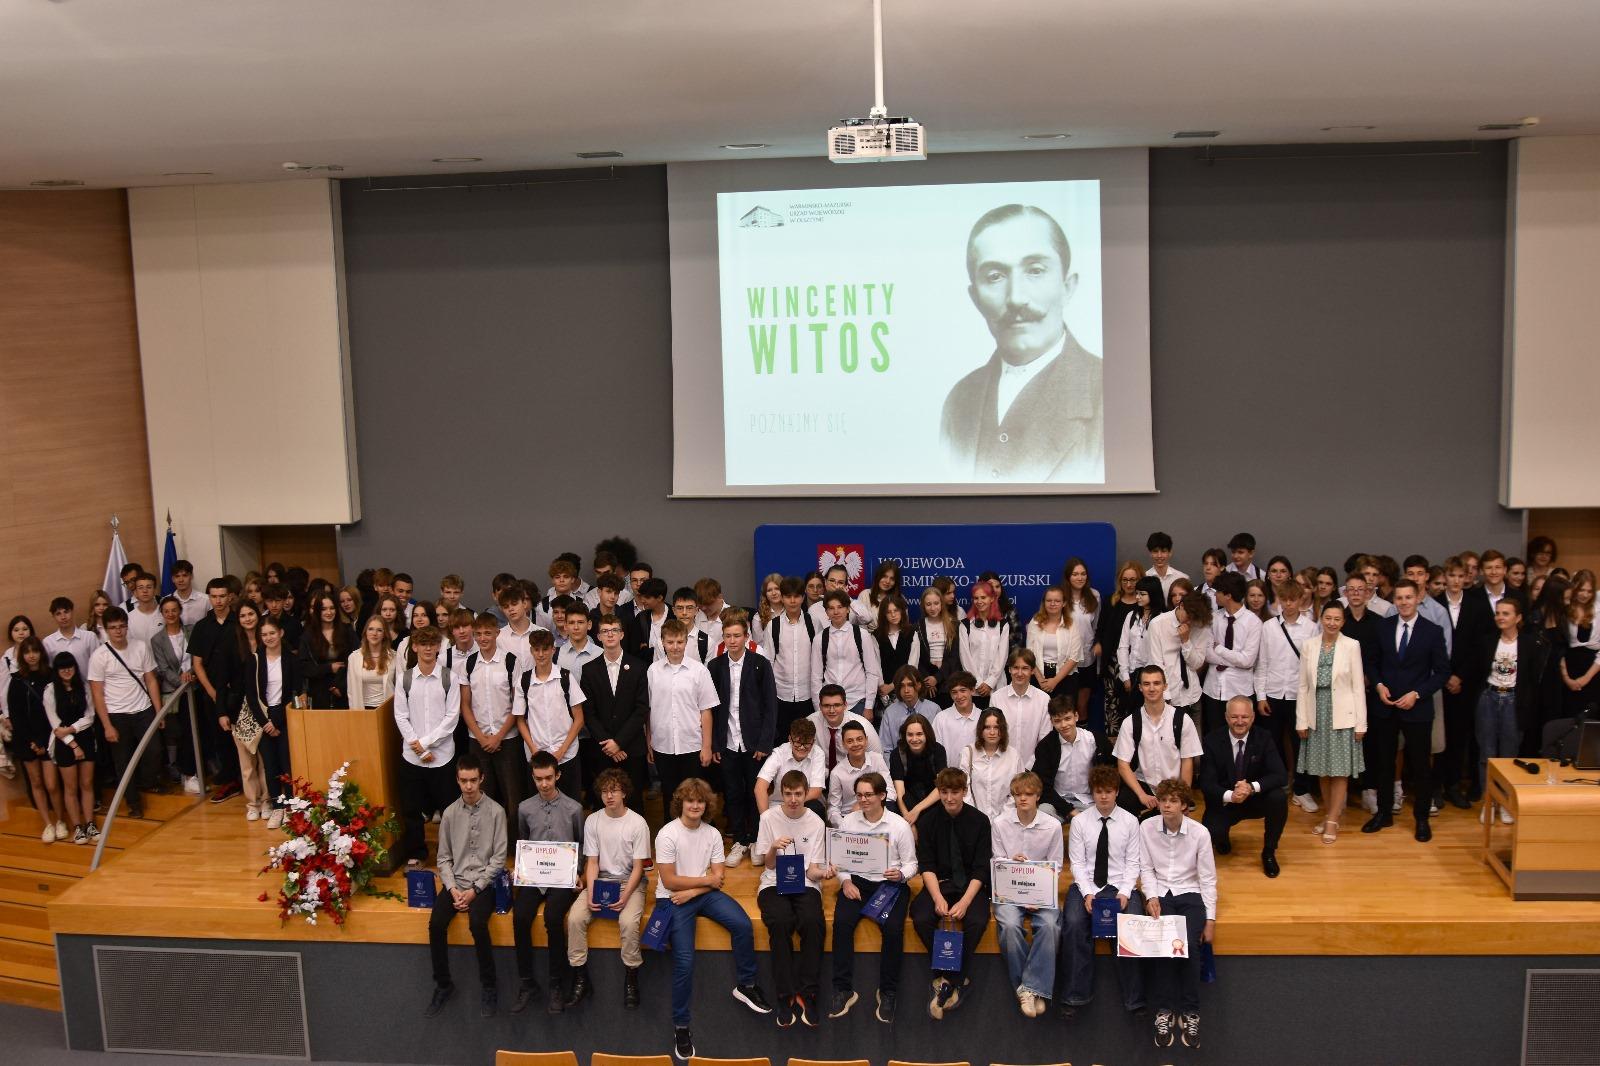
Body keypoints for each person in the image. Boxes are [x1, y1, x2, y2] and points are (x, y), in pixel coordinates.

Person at [938, 203, 1104, 482]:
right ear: (975, 298)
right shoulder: (959, 400)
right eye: (995, 276)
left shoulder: (1111, 395)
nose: (1016, 297)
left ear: (1067, 287)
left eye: (1035, 270)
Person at [655, 777, 773, 1060]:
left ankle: (746, 985)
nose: (695, 806)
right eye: (690, 800)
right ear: (680, 803)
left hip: (697, 894)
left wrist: (695, 890)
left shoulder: (712, 833)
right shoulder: (667, 834)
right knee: (685, 962)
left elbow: (719, 877)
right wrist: (704, 883)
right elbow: (669, 881)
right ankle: (681, 1026)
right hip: (672, 898)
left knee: (743, 925)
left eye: (700, 801)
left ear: (707, 805)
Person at [823, 770, 917, 1023]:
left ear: (882, 796)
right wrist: (845, 882)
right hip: (857, 883)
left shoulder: (899, 825)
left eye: (868, 795)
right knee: (842, 924)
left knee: (894, 930)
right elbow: (838, 860)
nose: (863, 800)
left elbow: (912, 864)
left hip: (890, 884)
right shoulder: (848, 823)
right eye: (859, 795)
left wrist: (901, 874)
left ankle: (888, 991)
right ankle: (843, 989)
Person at [1365, 580, 1450, 842]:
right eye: (1399, 598)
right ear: (1395, 601)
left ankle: (1421, 819)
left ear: (1417, 599)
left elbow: (1442, 672)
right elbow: (1372, 663)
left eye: (1408, 597)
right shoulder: (1382, 627)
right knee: (1384, 762)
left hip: (1417, 708)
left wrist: (1417, 694)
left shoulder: (1432, 631)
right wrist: (1379, 686)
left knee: (1421, 765)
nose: (1403, 602)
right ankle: (1384, 813)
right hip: (1385, 706)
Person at [424, 754, 506, 1020]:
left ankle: (489, 986)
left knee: (478, 924)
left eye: (473, 780)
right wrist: (452, 889)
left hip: (484, 883)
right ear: (457, 780)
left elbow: (498, 859)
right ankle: (443, 984)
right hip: (456, 882)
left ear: (482, 779)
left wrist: (475, 890)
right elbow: (443, 858)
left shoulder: (496, 812)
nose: (468, 786)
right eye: (463, 781)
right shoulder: (449, 813)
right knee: (436, 924)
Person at [1059, 764, 1145, 1018]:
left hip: (1120, 885)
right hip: (1087, 885)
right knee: (1074, 923)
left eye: (1108, 791)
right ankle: (1075, 995)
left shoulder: (1130, 822)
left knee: (1132, 924)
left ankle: (1135, 999)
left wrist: (1125, 893)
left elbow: (1133, 863)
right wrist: (1088, 893)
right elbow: (1077, 863)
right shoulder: (1080, 822)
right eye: (1099, 791)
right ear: (1092, 793)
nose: (1104, 796)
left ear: (1116, 792)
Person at [1138, 777, 1217, 1051]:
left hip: (1190, 893)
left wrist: (1210, 919)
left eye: (1173, 801)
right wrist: (1151, 896)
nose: (1167, 805)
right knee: (1164, 950)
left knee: (1190, 949)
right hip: (1162, 893)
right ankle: (1164, 1011)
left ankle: (1190, 1012)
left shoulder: (1200, 833)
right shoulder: (1147, 827)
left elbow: (1207, 879)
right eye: (1163, 800)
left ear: (1184, 805)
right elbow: (1146, 868)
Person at [565, 767, 652, 1011]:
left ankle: (631, 976)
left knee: (628, 922)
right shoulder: (593, 820)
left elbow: (639, 868)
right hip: (600, 879)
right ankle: (580, 976)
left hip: (629, 881)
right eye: (604, 791)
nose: (609, 796)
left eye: (613, 790)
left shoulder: (638, 823)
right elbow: (592, 862)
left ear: (624, 792)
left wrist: (625, 895)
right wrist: (591, 891)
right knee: (575, 918)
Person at [909, 767, 993, 1019]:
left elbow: (981, 868)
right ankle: (952, 977)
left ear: (964, 792)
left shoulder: (980, 821)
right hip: (941, 883)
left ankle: (947, 981)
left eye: (955, 792)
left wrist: (965, 902)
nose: (949, 798)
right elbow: (926, 865)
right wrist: (937, 898)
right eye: (944, 792)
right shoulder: (928, 821)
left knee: (977, 920)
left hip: (970, 885)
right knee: (921, 916)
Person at [753, 769, 829, 1027]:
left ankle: (808, 992)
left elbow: (812, 870)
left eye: (798, 794)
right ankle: (785, 994)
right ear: (781, 794)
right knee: (780, 921)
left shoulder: (816, 822)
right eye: (788, 794)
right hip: (774, 882)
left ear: (806, 793)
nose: (793, 799)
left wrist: (824, 873)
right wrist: (773, 848)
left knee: (813, 922)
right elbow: (769, 865)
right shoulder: (768, 818)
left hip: (806, 882)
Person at [512, 751, 584, 1013]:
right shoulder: (524, 808)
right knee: (520, 917)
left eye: (549, 778)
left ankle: (556, 984)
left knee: (553, 918)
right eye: (539, 778)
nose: (544, 784)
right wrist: (521, 868)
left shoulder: (574, 809)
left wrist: (578, 873)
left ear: (558, 776)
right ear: (533, 777)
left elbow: (581, 844)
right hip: (534, 877)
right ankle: (527, 982)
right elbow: (523, 840)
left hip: (562, 878)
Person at [990, 771, 1064, 1018]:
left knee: (1051, 926)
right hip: (1010, 890)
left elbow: (1056, 866)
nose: (1022, 799)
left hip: (1040, 891)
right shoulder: (1000, 823)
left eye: (1028, 794)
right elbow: (997, 861)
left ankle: (1029, 988)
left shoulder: (1052, 826)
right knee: (1010, 926)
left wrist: (1036, 896)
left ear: (1038, 796)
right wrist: (1011, 861)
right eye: (1018, 794)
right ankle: (1033, 990)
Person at [709, 610, 778, 865]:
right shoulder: (715, 667)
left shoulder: (760, 664)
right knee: (733, 792)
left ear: (746, 636)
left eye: (737, 635)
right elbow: (711, 709)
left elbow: (770, 707)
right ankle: (739, 840)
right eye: (728, 636)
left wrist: (764, 742)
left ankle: (758, 839)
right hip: (727, 742)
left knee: (755, 792)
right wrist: (715, 744)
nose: (732, 640)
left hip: (754, 743)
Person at [1296, 601, 1367, 844]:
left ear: (1343, 622)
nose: (1332, 623)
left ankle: (1333, 820)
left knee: (1339, 771)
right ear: (1321, 619)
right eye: (1328, 618)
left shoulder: (1352, 645)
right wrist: (1301, 720)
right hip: (1316, 714)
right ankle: (1330, 814)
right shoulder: (1309, 645)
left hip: (1343, 716)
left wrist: (1361, 724)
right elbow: (1303, 686)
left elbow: (1358, 687)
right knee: (1322, 769)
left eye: (1337, 619)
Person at [1473, 599, 1548, 823]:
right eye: (1498, 613)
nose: (1500, 617)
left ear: (1518, 617)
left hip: (1514, 701)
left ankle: (1505, 802)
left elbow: (1533, 679)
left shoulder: (1529, 644)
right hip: (1489, 698)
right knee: (1486, 754)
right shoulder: (1488, 641)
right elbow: (1478, 671)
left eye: (1506, 613)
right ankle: (1489, 802)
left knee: (1509, 755)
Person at [87, 608, 163, 819]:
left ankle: (146, 782)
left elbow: (151, 680)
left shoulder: (140, 647)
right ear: (106, 630)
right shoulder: (99, 656)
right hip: (117, 714)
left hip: (143, 709)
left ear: (127, 626)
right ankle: (133, 803)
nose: (118, 631)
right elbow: (97, 693)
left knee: (154, 750)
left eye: (121, 626)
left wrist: (159, 712)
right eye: (113, 628)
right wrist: (107, 725)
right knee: (123, 761)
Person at [394, 627, 461, 865]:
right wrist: (418, 749)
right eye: (423, 644)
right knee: (412, 810)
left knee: (448, 810)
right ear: (414, 647)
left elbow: (451, 718)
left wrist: (424, 744)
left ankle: (449, 855)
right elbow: (401, 715)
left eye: (432, 644)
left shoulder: (449, 678)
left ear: (438, 647)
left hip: (442, 756)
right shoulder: (404, 679)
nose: (428, 649)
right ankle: (417, 854)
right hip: (412, 757)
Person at [1198, 697, 1287, 877]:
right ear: (1226, 717)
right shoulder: (1211, 740)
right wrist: (1231, 796)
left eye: (1244, 717)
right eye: (1234, 717)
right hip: (1225, 802)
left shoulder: (1264, 737)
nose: (1239, 721)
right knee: (1213, 833)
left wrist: (1251, 788)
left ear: (1253, 717)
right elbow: (1206, 783)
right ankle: (1222, 838)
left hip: (1255, 799)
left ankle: (1269, 851)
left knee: (1278, 797)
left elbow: (1280, 775)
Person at [1252, 579, 1320, 812]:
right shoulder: (1269, 627)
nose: (1288, 604)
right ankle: (1278, 784)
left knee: (1301, 744)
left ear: (1301, 600)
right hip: (1273, 693)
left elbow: (1313, 666)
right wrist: (1261, 697)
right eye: (1284, 599)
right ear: (1279, 600)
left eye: (1293, 599)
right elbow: (1262, 663)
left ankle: (1301, 789)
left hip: (1298, 695)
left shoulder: (1311, 628)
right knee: (1272, 743)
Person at [460, 613, 523, 847]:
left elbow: (517, 704)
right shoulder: (469, 664)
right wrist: (480, 736)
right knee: (482, 796)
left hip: (508, 739)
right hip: (478, 740)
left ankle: (514, 846)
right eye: (478, 634)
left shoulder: (510, 661)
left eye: (488, 633)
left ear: (497, 633)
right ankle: (488, 845)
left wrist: (498, 736)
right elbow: (465, 705)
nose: (483, 638)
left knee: (513, 797)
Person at [579, 612, 651, 813]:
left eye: (614, 630)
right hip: (602, 750)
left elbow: (641, 709)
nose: (610, 635)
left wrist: (619, 742)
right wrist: (609, 744)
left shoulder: (639, 667)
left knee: (634, 801)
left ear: (622, 634)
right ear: (598, 636)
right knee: (605, 801)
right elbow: (588, 712)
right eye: (605, 631)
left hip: (631, 748)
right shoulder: (589, 670)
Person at [1112, 665, 1201, 818]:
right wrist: (1142, 795)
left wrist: (1183, 797)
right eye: (1146, 684)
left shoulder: (1182, 720)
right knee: (1124, 801)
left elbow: (1187, 761)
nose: (1152, 688)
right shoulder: (1130, 722)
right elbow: (1123, 764)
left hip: (1173, 786)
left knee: (1171, 824)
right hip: (1144, 785)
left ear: (1165, 686)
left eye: (1156, 683)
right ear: (1140, 688)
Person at [647, 618, 718, 808]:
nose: (675, 647)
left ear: (686, 642)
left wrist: (707, 746)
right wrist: (649, 742)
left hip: (692, 745)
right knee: (669, 795)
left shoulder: (699, 671)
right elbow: (649, 710)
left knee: (694, 795)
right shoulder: (653, 671)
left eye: (679, 642)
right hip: (662, 745)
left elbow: (706, 710)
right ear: (662, 642)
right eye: (670, 642)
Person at [513, 629, 586, 802]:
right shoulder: (524, 681)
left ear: (553, 649)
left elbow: (579, 719)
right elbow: (520, 720)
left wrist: (562, 750)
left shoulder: (566, 677)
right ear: (531, 651)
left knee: (570, 803)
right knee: (539, 806)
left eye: (545, 649)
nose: (541, 654)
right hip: (537, 756)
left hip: (567, 755)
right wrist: (533, 749)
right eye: (536, 649)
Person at [7, 638, 69, 842]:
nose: (31, 655)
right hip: (26, 741)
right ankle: (47, 823)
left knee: (52, 784)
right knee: (36, 782)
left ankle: (60, 820)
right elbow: (16, 715)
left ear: (41, 653)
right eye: (27, 652)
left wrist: (43, 741)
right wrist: (32, 741)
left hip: (49, 737)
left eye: (35, 651)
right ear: (22, 656)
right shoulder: (17, 680)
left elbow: (56, 710)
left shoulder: (50, 676)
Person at [246, 618, 300, 827]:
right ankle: (277, 807)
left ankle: (290, 807)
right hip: (262, 716)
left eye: (272, 633)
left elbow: (295, 691)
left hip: (284, 715)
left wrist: (276, 722)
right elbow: (251, 696)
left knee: (287, 764)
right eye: (264, 634)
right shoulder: (255, 660)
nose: (268, 638)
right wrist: (265, 723)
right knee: (270, 766)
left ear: (281, 633)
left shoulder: (291, 659)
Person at [44, 652, 98, 843]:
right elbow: (56, 725)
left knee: (87, 783)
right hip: (64, 743)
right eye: (62, 668)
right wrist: (73, 744)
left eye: (70, 667)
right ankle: (77, 827)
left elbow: (90, 716)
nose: (67, 671)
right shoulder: (50, 690)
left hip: (85, 737)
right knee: (71, 787)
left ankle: (90, 824)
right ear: (57, 670)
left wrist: (72, 728)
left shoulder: (84, 686)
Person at [1200, 572, 1261, 738]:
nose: (1215, 596)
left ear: (1228, 595)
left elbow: (1248, 661)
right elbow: (1207, 654)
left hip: (1240, 690)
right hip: (1213, 689)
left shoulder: (1253, 622)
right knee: (1213, 737)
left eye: (1217, 592)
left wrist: (1220, 649)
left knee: (1240, 737)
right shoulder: (1213, 618)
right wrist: (1236, 658)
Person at [149, 595, 198, 794]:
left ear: (180, 611)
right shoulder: (157, 640)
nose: (170, 614)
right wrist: (181, 681)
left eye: (174, 610)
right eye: (166, 611)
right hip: (174, 693)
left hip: (195, 688)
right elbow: (162, 669)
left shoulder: (192, 631)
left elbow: (198, 658)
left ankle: (197, 770)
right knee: (179, 734)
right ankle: (185, 774)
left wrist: (192, 675)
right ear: (162, 614)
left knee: (196, 731)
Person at [810, 590, 882, 717]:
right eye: (831, 608)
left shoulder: (862, 635)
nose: (836, 612)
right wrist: (818, 709)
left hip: (858, 702)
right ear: (826, 612)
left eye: (840, 607)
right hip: (830, 704)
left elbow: (872, 672)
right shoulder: (819, 639)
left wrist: (869, 706)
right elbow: (816, 677)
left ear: (848, 609)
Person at [1143, 590, 1210, 725]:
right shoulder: (1158, 624)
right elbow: (1157, 664)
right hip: (1168, 698)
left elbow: (1196, 664)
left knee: (1195, 738)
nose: (1190, 622)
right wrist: (1165, 697)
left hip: (1193, 696)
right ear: (1181, 605)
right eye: (1189, 616)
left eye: (1194, 619)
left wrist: (1186, 641)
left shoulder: (1200, 625)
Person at [763, 576, 817, 738]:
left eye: (797, 596)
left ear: (803, 597)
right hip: (781, 695)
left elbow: (820, 659)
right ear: (782, 598)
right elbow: (768, 661)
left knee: (808, 740)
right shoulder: (773, 626)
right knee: (782, 741)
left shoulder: (814, 623)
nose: (792, 601)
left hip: (808, 695)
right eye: (788, 596)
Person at [1032, 694, 1099, 821]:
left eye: (1067, 718)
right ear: (1052, 722)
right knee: (1042, 814)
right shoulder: (1046, 746)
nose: (1064, 725)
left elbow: (1108, 775)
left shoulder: (1093, 740)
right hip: (1056, 800)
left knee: (1098, 820)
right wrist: (1069, 810)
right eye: (1057, 721)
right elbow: (1042, 785)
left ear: (1076, 716)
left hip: (1087, 800)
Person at [959, 707, 1025, 819]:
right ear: (980, 730)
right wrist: (976, 816)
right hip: (974, 819)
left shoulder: (1013, 755)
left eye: (997, 727)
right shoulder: (968, 753)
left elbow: (1019, 789)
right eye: (987, 727)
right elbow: (964, 789)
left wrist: (1003, 817)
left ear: (1003, 730)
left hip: (1006, 819)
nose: (992, 732)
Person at [826, 720, 896, 825]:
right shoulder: (837, 773)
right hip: (850, 816)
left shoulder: (877, 759)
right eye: (850, 741)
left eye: (859, 739)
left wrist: (868, 805)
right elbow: (833, 808)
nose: (855, 744)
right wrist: (845, 825)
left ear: (866, 740)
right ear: (843, 744)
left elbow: (890, 792)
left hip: (877, 809)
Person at [755, 717, 827, 818]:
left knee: (816, 807)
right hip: (779, 804)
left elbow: (816, 791)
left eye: (807, 744)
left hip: (805, 804)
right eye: (798, 743)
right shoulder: (778, 753)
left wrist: (793, 803)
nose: (802, 747)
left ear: (813, 741)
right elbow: (760, 788)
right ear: (790, 739)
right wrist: (765, 819)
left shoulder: (818, 754)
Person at [809, 684, 883, 778]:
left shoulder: (863, 726)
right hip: (820, 775)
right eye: (827, 706)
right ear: (820, 706)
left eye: (837, 705)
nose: (832, 710)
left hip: (854, 777)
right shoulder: (810, 724)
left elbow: (878, 760)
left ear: (845, 705)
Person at [1026, 584, 1082, 704]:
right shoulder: (1035, 622)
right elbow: (1029, 654)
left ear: (1064, 603)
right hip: (1038, 676)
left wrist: (1055, 681)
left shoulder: (1072, 624)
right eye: (1049, 600)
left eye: (1057, 601)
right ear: (1044, 602)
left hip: (1065, 677)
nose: (1053, 604)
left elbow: (1074, 657)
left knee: (1063, 714)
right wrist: (1041, 680)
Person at [298, 593, 355, 709]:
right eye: (323, 609)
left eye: (332, 608)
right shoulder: (308, 636)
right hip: (319, 692)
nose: (329, 612)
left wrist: (341, 686)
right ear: (317, 611)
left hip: (345, 688)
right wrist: (329, 668)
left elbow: (357, 659)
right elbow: (303, 667)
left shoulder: (347, 630)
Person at [991, 647, 1051, 756]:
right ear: (1009, 669)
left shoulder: (1044, 700)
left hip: (1033, 764)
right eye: (1015, 667)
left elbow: (1045, 738)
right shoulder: (996, 698)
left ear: (1032, 671)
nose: (1019, 673)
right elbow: (994, 735)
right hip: (1002, 761)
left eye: (1025, 668)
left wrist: (1034, 764)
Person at [891, 712, 947, 827]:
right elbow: (900, 793)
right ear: (904, 735)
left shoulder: (938, 750)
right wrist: (908, 820)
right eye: (910, 735)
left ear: (927, 734)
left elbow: (941, 787)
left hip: (933, 801)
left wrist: (917, 809)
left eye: (919, 734)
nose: (914, 739)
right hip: (907, 803)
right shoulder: (897, 754)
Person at [873, 595, 922, 713]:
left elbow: (912, 665)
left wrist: (892, 686)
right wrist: (882, 686)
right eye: (889, 612)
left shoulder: (912, 633)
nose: (893, 615)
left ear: (902, 612)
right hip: (883, 692)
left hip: (907, 688)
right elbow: (875, 664)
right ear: (884, 615)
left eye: (896, 610)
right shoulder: (876, 635)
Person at [1560, 570, 1599, 718]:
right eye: (1582, 590)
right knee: (1569, 714)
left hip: (1594, 668)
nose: (1585, 594)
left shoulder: (1598, 610)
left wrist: (1587, 677)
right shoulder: (1565, 609)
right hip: (1570, 666)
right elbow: (1559, 646)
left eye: (1589, 591)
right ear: (1574, 587)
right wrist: (1567, 678)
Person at [878, 665, 940, 753]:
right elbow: (885, 749)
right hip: (898, 760)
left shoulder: (934, 710)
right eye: (902, 686)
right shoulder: (889, 713)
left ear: (919, 685)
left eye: (910, 685)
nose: (906, 690)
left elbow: (939, 746)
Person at [347, 615, 395, 710]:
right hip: (361, 710)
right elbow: (351, 691)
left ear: (384, 634)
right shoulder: (354, 658)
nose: (374, 633)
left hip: (386, 710)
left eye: (379, 630)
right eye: (371, 629)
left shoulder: (394, 657)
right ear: (366, 632)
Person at [933, 671, 983, 757]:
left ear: (972, 690)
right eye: (954, 692)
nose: (959, 696)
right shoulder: (941, 718)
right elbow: (935, 750)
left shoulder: (983, 717)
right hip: (949, 766)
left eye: (963, 690)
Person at [1145, 531, 1189, 599]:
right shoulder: (1144, 578)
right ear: (1150, 553)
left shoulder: (1182, 578)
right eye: (1155, 551)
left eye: (1163, 551)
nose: (1159, 556)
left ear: (1170, 553)